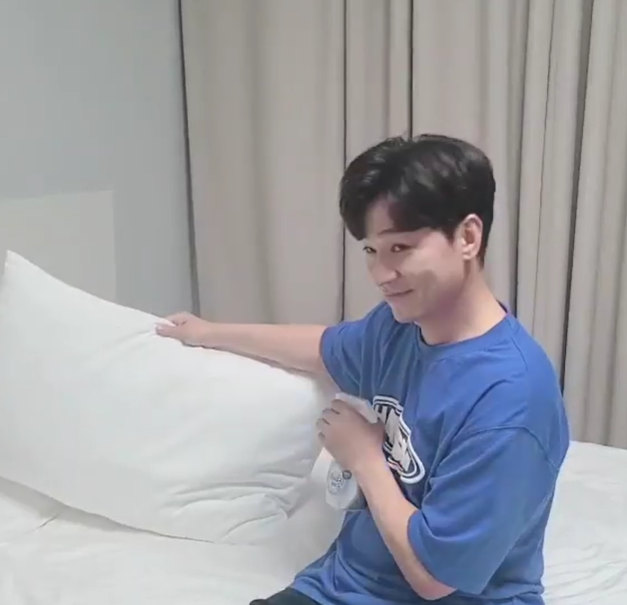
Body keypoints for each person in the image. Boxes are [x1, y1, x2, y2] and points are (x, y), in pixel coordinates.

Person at [156, 134, 570, 605]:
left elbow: (434, 579)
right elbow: (324, 347)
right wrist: (210, 332)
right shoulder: (398, 328)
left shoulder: (511, 397)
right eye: (371, 251)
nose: (381, 275)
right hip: (341, 586)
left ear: (468, 238)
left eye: (401, 248)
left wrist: (365, 458)